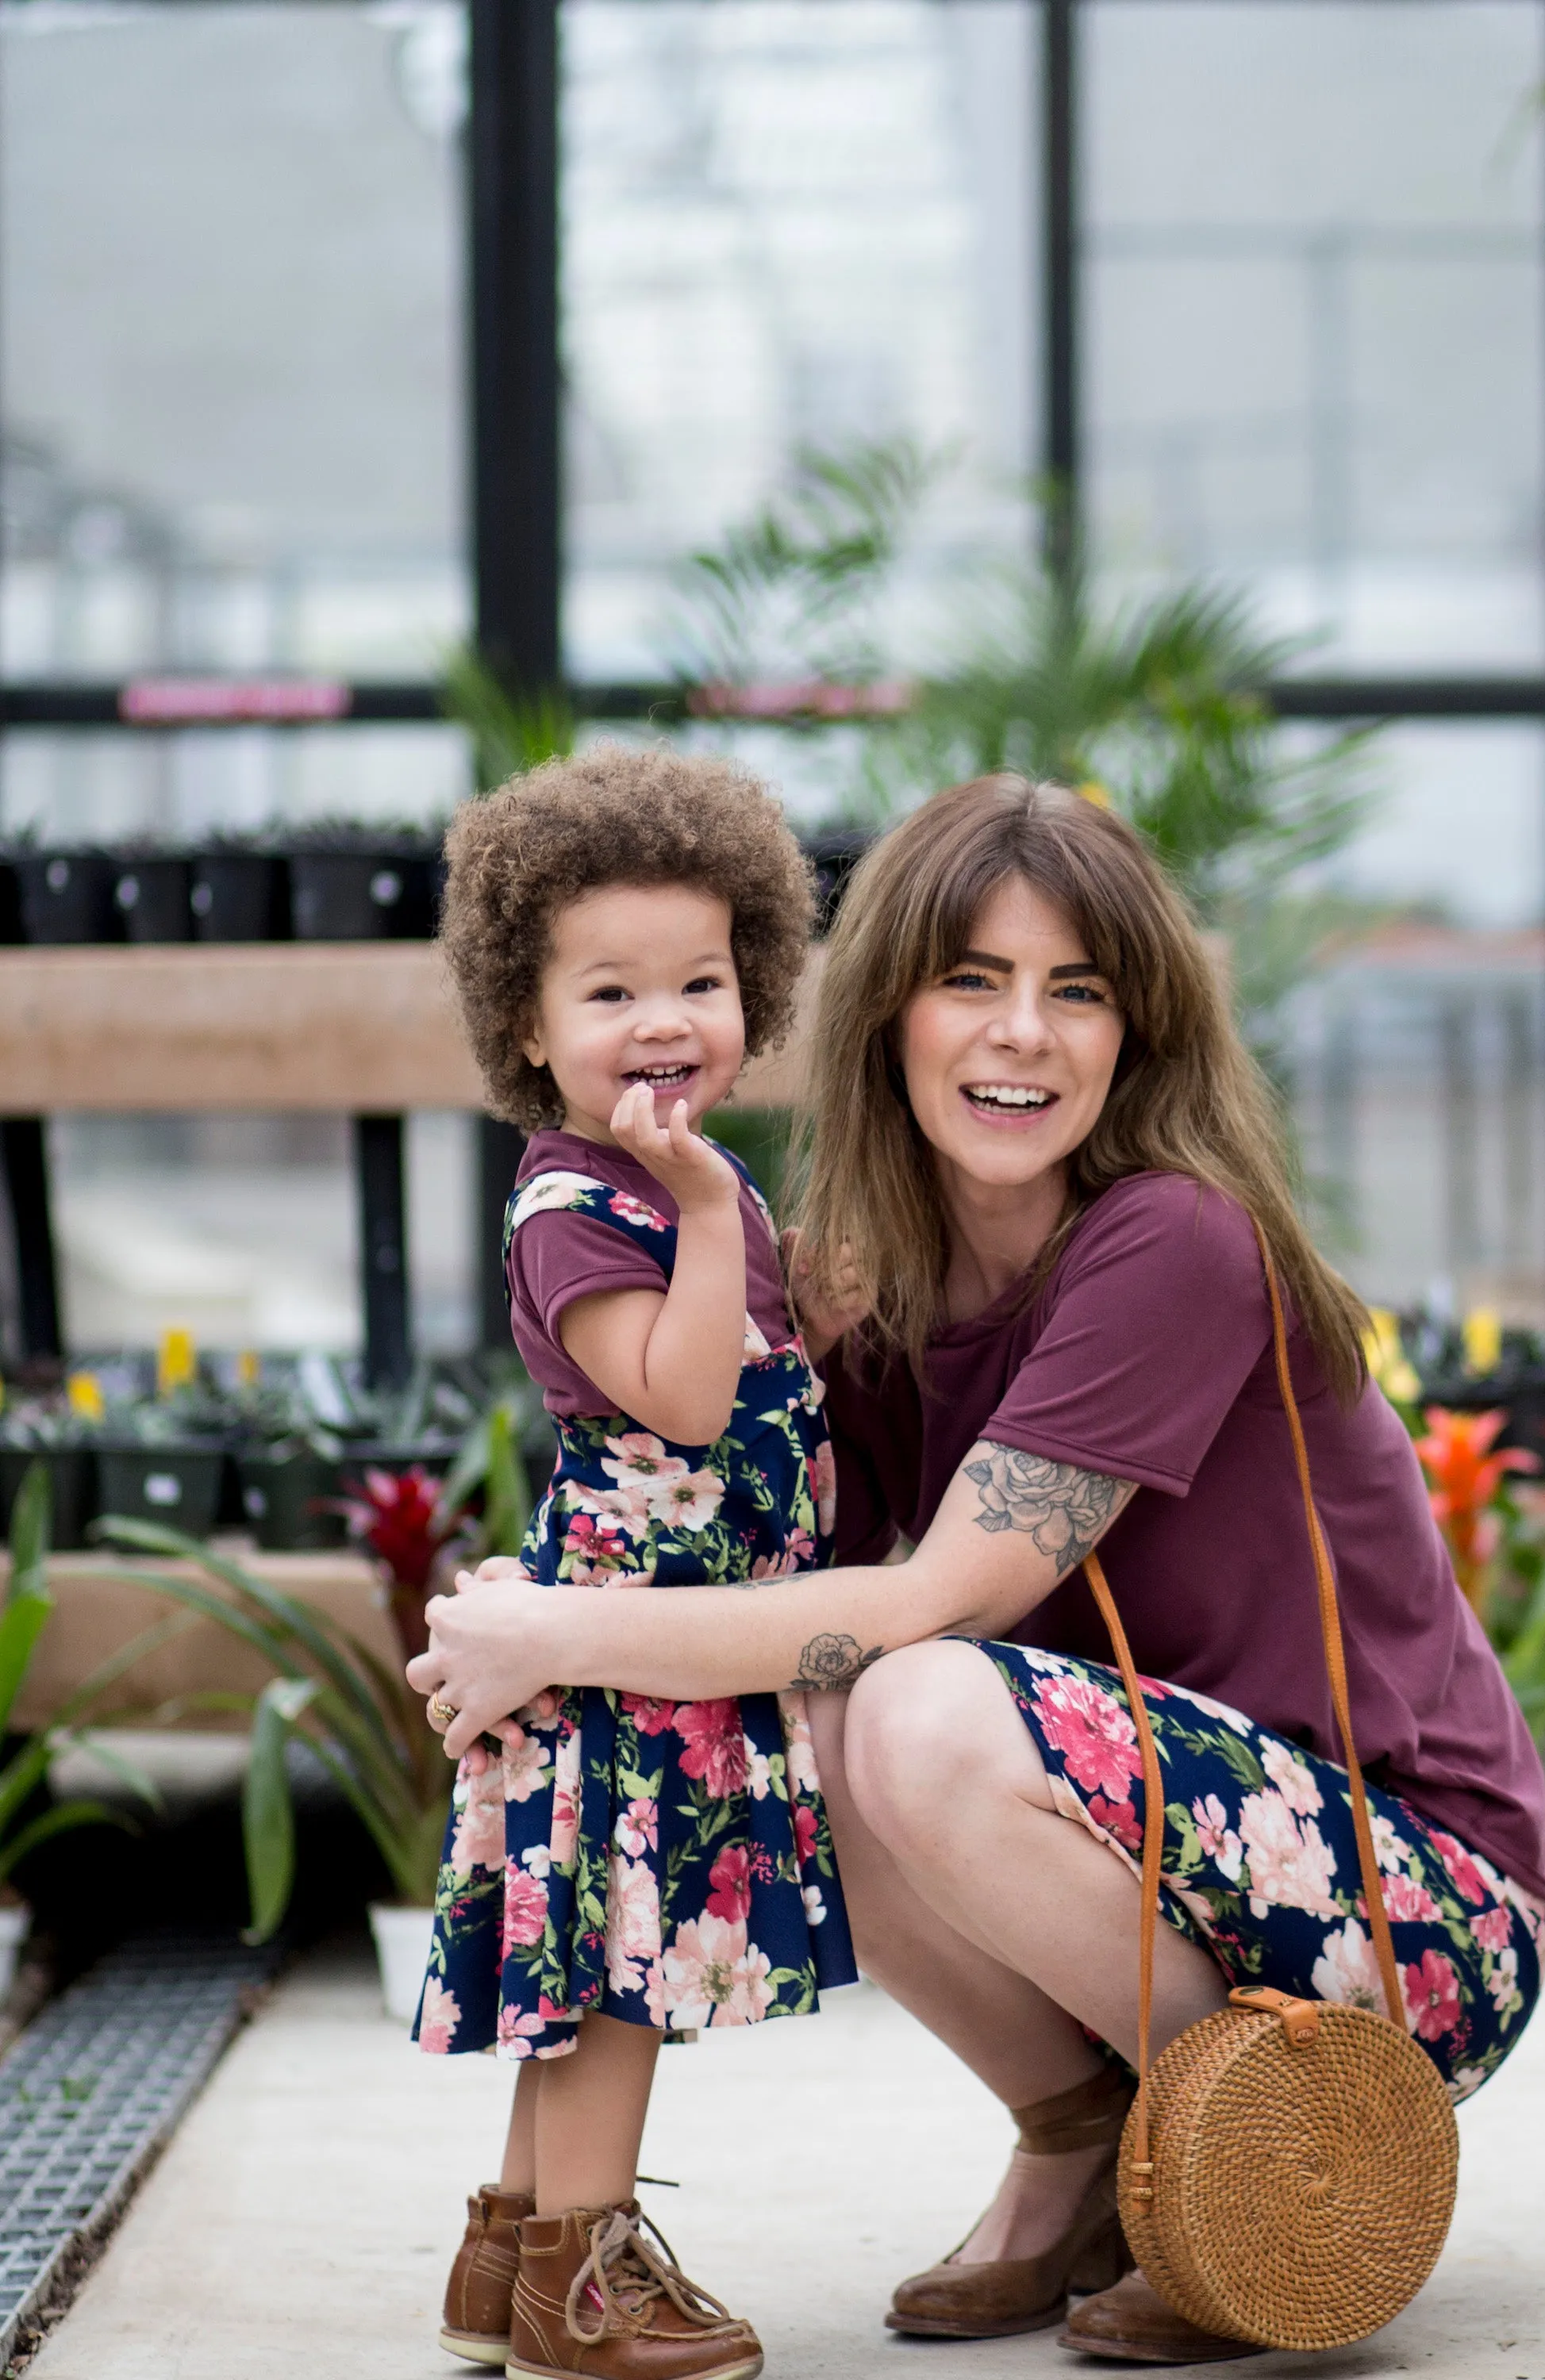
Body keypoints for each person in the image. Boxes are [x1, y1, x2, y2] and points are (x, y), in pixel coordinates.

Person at [414, 774, 1545, 2369]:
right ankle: (1084, 2132)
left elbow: (924, 1603)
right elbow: (756, 1576)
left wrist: (558, 1633)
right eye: (974, 979)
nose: (1022, 1031)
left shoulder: (1172, 1238)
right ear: (888, 1011)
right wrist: (531, 1611)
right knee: (799, 1717)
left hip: (1411, 1901)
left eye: (1075, 991)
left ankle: (1237, 2153)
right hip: (1180, 1849)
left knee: (906, 1703)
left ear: (1132, 1036)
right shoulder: (878, 1289)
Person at [421, 747, 855, 2380]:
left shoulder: (688, 1178)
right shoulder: (576, 1204)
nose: (664, 1017)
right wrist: (714, 1215)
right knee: (616, 1972)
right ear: (527, 1027)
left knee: (588, 1954)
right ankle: (582, 2285)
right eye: (611, 991)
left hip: (666, 1637)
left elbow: (775, 1333)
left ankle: (509, 2250)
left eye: (700, 978)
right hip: (624, 1651)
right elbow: (674, 1389)